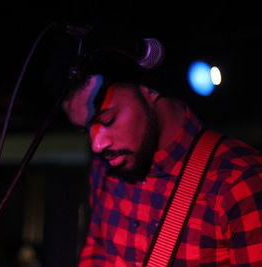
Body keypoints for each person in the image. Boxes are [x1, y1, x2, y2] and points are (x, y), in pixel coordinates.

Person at [59, 37, 262, 266]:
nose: (97, 144)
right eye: (86, 130)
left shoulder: (240, 181)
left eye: (107, 120)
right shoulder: (103, 171)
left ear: (149, 89)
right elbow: (96, 255)